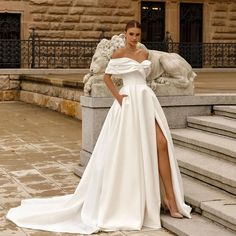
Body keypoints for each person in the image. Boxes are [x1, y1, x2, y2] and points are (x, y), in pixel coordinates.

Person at [6, 20, 191, 234]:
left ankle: (171, 199)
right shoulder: (118, 55)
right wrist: (118, 97)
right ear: (125, 34)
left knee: (162, 142)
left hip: (146, 101)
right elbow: (107, 78)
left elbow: (145, 77)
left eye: (138, 34)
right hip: (129, 103)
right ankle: (145, 199)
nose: (134, 38)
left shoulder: (144, 55)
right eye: (131, 34)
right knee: (132, 150)